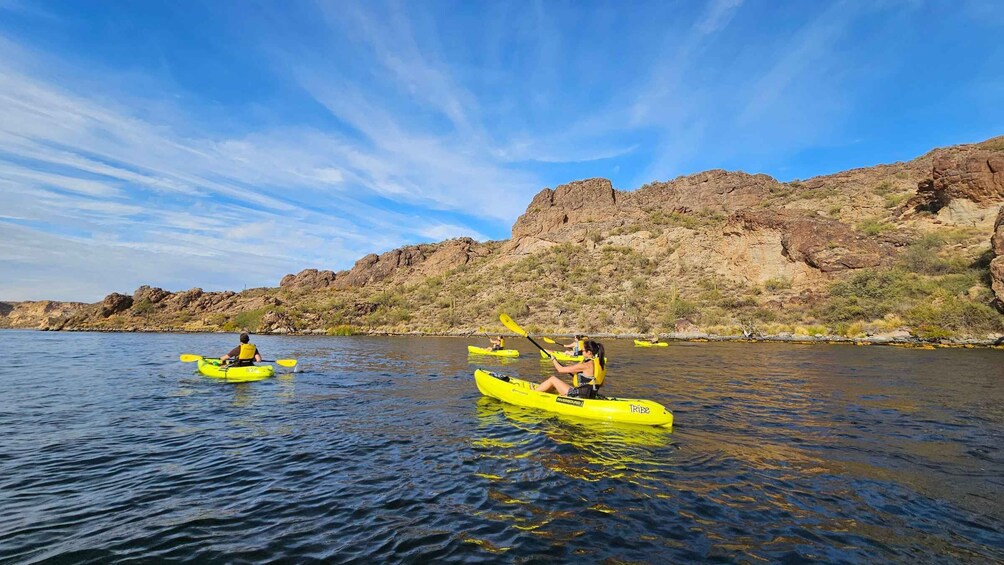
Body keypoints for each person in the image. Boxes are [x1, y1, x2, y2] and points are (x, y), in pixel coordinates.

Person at [536, 340, 606, 398]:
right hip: (591, 395)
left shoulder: (586, 365)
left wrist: (553, 359)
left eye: (583, 350)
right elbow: (600, 384)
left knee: (553, 379)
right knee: (556, 386)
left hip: (580, 396)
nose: (581, 352)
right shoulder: (600, 364)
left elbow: (560, 370)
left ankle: (533, 393)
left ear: (589, 352)